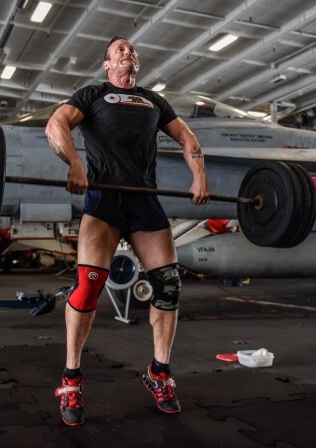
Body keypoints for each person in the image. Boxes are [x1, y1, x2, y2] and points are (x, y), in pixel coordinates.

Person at [45, 36, 210, 426]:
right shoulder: (93, 94)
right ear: (106, 63)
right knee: (88, 284)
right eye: (120, 49)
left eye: (132, 49)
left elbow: (188, 138)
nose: (128, 52)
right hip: (103, 199)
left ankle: (160, 373)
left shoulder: (154, 101)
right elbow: (56, 125)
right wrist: (73, 163)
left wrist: (199, 174)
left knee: (168, 285)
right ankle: (70, 380)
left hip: (143, 199)